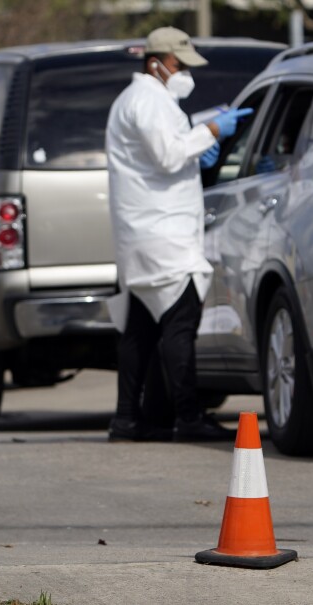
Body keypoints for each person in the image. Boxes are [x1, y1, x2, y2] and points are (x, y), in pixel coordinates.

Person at [105, 26, 252, 441]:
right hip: (161, 235)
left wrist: (198, 147)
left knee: (141, 328)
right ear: (155, 63)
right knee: (180, 323)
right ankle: (188, 417)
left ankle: (127, 418)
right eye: (179, 64)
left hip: (147, 233)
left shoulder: (143, 100)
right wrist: (210, 132)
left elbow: (164, 155)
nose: (185, 72)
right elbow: (169, 154)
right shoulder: (147, 100)